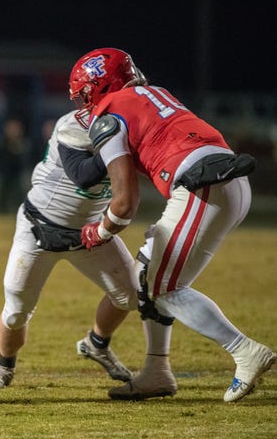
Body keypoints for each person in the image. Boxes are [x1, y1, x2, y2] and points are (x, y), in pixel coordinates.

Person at [63, 47, 275, 402]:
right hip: (228, 179)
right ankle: (157, 373)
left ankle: (245, 351)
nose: (84, 104)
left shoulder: (109, 116)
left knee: (163, 287)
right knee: (150, 273)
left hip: (202, 186)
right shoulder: (155, 93)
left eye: (85, 94)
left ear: (99, 86)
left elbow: (125, 203)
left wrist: (98, 231)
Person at [0, 109, 171, 389]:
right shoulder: (76, 122)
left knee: (131, 296)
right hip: (40, 228)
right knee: (16, 311)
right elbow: (83, 175)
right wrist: (120, 148)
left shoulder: (132, 124)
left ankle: (96, 344)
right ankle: (4, 366)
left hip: (91, 231)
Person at [0, 116, 30, 213]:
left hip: (16, 172)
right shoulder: (0, 141)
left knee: (19, 194)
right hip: (5, 172)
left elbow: (24, 159)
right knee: (4, 193)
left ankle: (21, 212)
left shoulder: (22, 142)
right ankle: (2, 212)